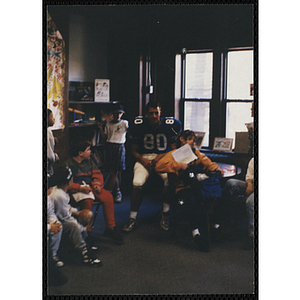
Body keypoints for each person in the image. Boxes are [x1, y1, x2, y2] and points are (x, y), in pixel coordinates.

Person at [155, 130, 223, 251]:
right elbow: (159, 166)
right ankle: (195, 233)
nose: (192, 142)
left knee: (216, 193)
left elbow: (207, 162)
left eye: (193, 140)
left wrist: (215, 169)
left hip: (196, 186)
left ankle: (214, 228)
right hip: (180, 190)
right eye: (190, 139)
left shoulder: (195, 153)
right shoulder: (174, 154)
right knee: (190, 201)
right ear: (182, 139)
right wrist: (179, 166)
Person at [123, 101, 182, 232]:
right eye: (151, 113)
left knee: (169, 179)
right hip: (144, 157)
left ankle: (165, 213)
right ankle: (132, 217)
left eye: (157, 113)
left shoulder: (170, 125)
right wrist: (143, 161)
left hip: (163, 157)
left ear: (160, 113)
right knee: (137, 183)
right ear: (146, 114)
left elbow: (173, 149)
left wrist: (159, 158)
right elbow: (133, 150)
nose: (154, 116)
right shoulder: (138, 125)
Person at [64, 140, 123, 245]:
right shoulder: (69, 164)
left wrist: (97, 185)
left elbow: (97, 175)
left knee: (108, 196)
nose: (90, 152)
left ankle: (110, 228)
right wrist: (79, 188)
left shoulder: (90, 162)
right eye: (88, 150)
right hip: (75, 190)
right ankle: (87, 232)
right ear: (80, 153)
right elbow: (65, 184)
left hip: (90, 187)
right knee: (87, 200)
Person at [49, 166, 102, 266]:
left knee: (83, 217)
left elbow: (67, 207)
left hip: (60, 217)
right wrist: (82, 228)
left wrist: (77, 212)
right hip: (56, 222)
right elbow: (65, 218)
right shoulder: (58, 195)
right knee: (73, 225)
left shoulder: (61, 191)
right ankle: (84, 251)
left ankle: (86, 241)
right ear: (68, 181)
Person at [224, 157, 254, 250]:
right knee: (230, 183)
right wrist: (249, 185)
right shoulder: (253, 160)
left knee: (251, 202)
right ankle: (229, 224)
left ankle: (252, 236)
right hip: (252, 185)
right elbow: (249, 177)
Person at [101, 103, 129, 203]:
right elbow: (105, 137)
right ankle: (117, 192)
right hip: (109, 146)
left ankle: (108, 192)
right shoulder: (108, 124)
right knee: (112, 171)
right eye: (116, 113)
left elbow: (130, 132)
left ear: (122, 114)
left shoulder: (124, 123)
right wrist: (100, 128)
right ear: (112, 113)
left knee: (114, 172)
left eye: (120, 113)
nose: (118, 115)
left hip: (119, 147)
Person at [47, 174, 68, 286]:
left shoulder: (47, 199)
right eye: (50, 187)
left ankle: (53, 255)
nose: (52, 190)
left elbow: (50, 213)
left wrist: (54, 224)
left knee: (58, 225)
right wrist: (50, 227)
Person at [47, 109, 59, 175]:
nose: (53, 119)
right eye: (51, 116)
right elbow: (49, 155)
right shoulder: (47, 131)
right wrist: (55, 157)